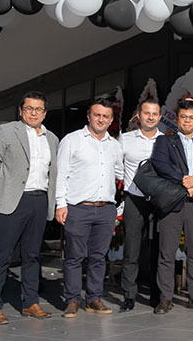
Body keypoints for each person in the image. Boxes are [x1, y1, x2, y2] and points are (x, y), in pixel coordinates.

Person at [0, 91, 60, 325]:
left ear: (45, 113)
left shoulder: (52, 139)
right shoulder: (6, 132)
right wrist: (0, 192)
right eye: (29, 108)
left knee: (32, 255)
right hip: (12, 201)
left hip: (39, 200)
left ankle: (30, 302)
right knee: (1, 255)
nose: (34, 113)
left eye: (38, 109)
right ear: (21, 110)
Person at [55, 98, 124, 318]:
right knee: (74, 257)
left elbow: (121, 173)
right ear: (89, 116)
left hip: (105, 209)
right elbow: (61, 174)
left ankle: (94, 298)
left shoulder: (115, 145)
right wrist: (60, 203)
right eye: (97, 115)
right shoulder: (72, 140)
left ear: (111, 120)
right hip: (78, 208)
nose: (101, 119)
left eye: (105, 116)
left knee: (98, 256)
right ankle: (72, 299)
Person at [151, 99, 193, 314]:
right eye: (183, 117)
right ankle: (165, 298)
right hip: (172, 203)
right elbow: (161, 165)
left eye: (191, 118)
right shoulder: (165, 141)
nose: (187, 121)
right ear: (177, 119)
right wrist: (185, 181)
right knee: (167, 253)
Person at [117, 99, 163, 312]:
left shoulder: (166, 141)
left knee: (158, 250)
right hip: (134, 199)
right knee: (132, 250)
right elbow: (117, 168)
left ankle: (156, 294)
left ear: (159, 117)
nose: (150, 117)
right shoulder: (125, 139)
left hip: (158, 201)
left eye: (154, 114)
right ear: (138, 114)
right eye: (147, 113)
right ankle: (129, 295)